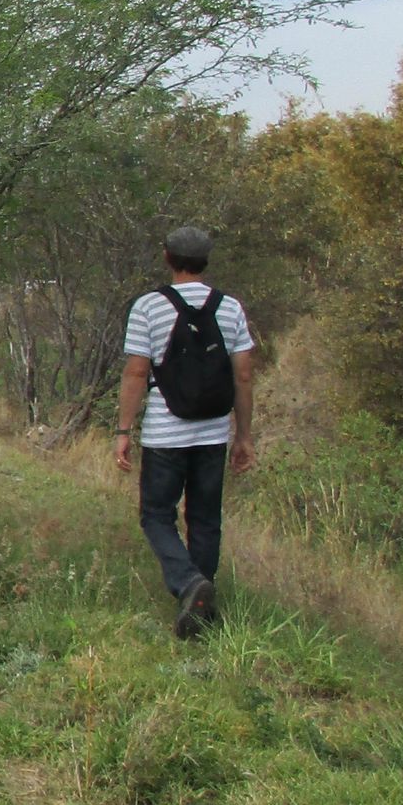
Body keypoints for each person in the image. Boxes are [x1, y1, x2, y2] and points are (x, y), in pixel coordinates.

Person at [113, 225, 256, 638]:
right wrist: (243, 435)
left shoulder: (148, 307)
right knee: (205, 518)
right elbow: (243, 375)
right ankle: (202, 606)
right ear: (206, 260)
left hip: (164, 434)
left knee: (156, 515)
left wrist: (124, 428)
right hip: (212, 434)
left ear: (166, 256)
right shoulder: (229, 308)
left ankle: (188, 584)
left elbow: (137, 372)